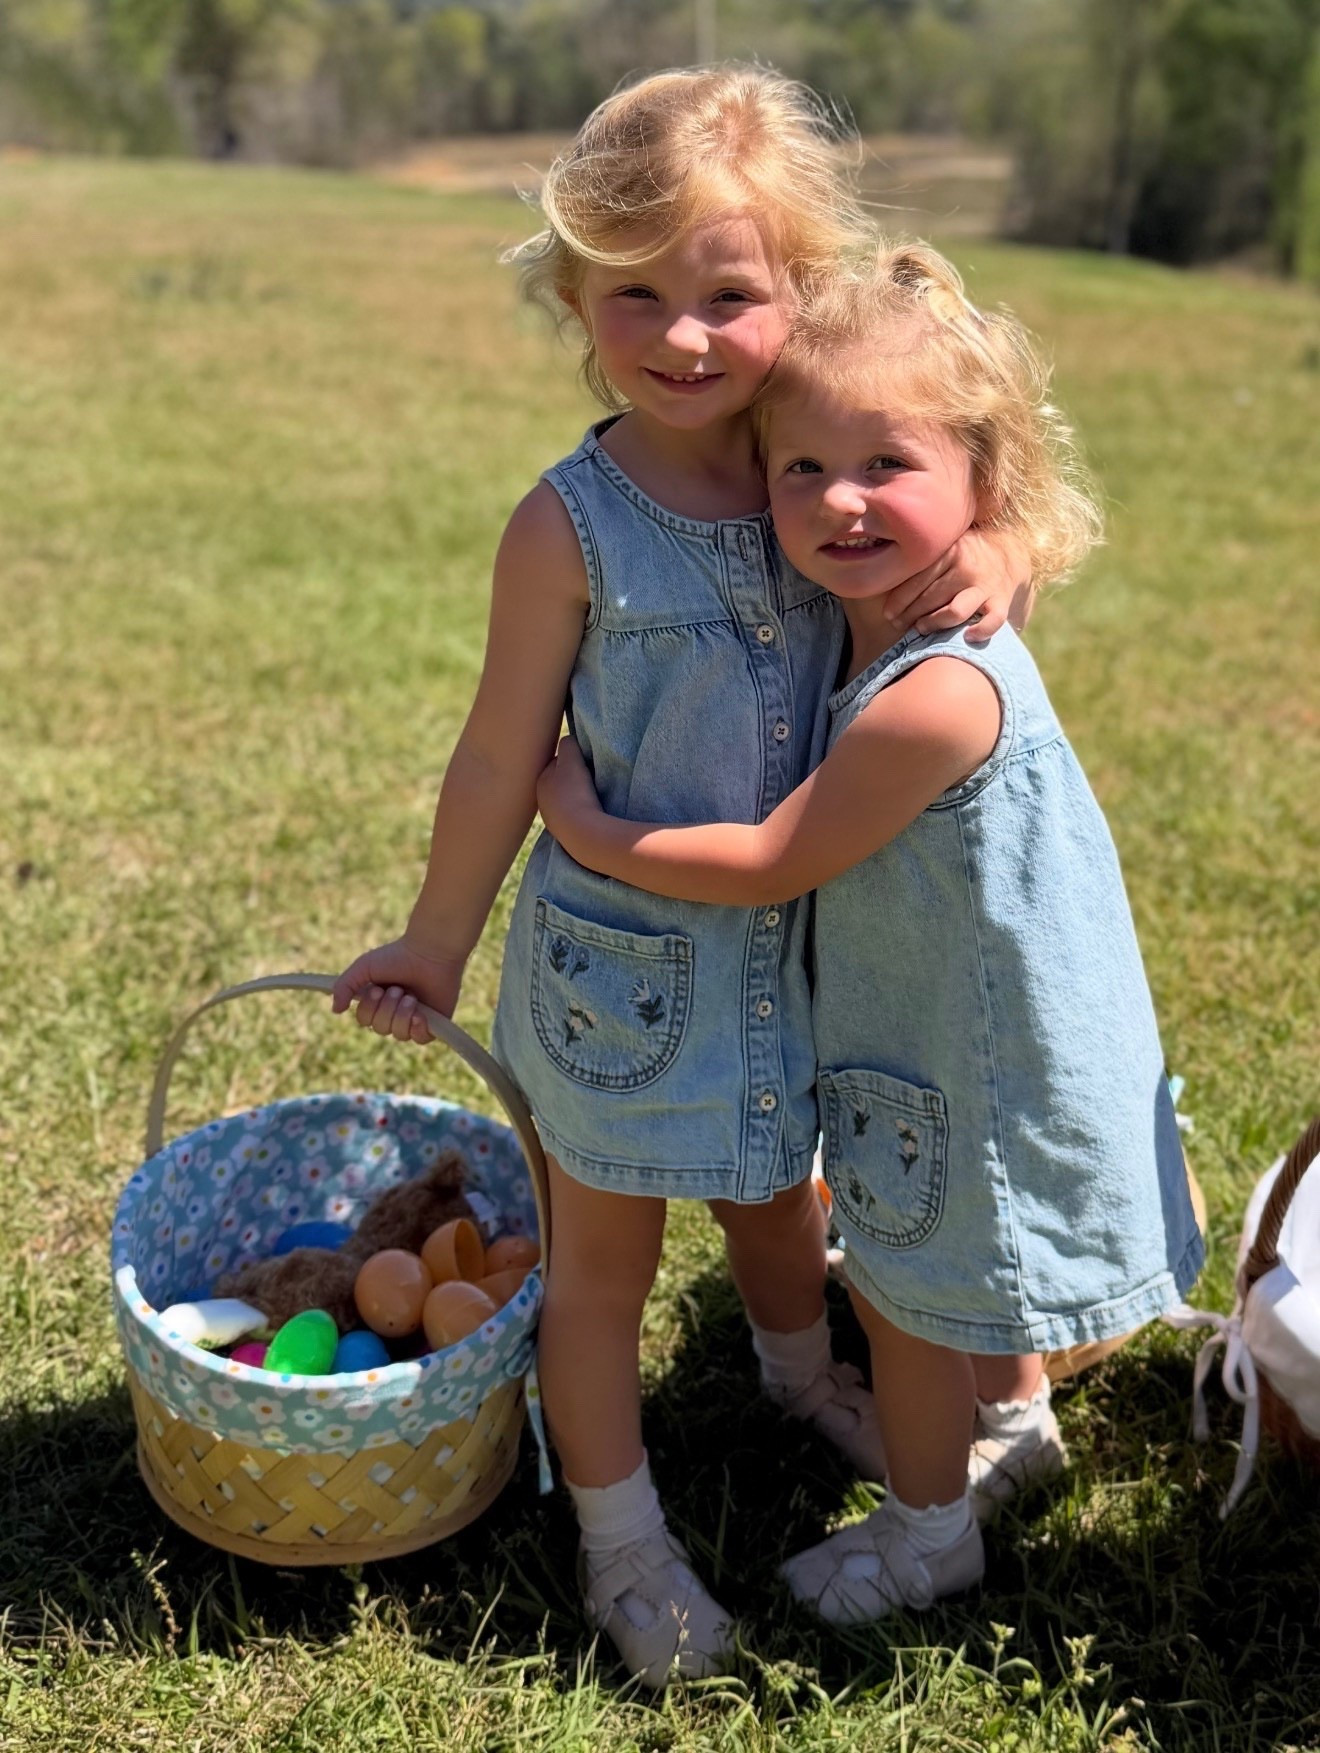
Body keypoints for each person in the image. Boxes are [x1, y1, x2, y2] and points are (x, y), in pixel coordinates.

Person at [333, 72, 1027, 1683]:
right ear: (571, 291)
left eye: (731, 294)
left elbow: (970, 499)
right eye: (635, 292)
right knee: (603, 1267)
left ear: (800, 294)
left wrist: (997, 554)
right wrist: (439, 937)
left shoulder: (824, 466)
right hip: (621, 987)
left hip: (803, 955)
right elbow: (501, 754)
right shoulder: (568, 526)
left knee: (786, 1206)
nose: (687, 336)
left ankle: (798, 1375)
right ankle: (624, 1541)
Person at [536, 240, 1204, 1628]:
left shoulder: (932, 689)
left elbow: (779, 859)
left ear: (981, 483)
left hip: (967, 1034)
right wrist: (997, 535)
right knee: (958, 1261)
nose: (839, 502)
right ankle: (1013, 1425)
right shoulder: (895, 605)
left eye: (886, 468)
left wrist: (593, 833)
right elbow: (981, 539)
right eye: (800, 469)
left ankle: (927, 1533)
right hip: (948, 1014)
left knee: (905, 1289)